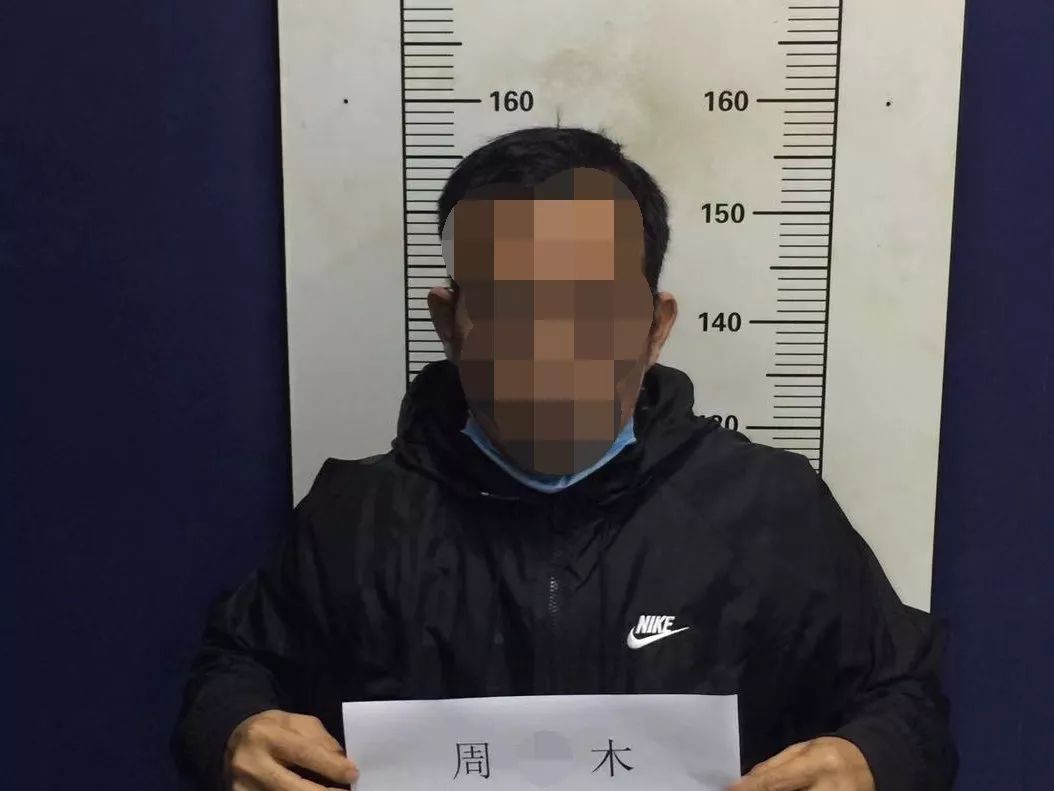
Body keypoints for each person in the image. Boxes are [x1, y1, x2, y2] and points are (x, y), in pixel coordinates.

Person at [171, 126, 956, 791]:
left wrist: (871, 758)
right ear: (449, 322)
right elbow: (234, 666)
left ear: (655, 326)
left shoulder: (770, 508)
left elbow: (907, 697)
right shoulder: (354, 517)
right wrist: (233, 729)